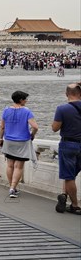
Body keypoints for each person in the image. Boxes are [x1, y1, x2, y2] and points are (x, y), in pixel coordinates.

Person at [0, 91, 39, 198]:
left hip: (8, 140)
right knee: (18, 167)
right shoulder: (26, 111)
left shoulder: (6, 110)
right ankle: (13, 188)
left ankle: (12, 187)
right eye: (25, 99)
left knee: (10, 165)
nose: (26, 101)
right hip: (22, 141)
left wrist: (0, 138)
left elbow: (2, 127)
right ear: (21, 100)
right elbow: (35, 127)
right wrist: (32, 135)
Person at [52, 82, 81, 215]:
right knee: (72, 174)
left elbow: (55, 128)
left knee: (69, 176)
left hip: (68, 144)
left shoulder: (62, 109)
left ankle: (75, 205)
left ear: (66, 94)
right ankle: (63, 194)